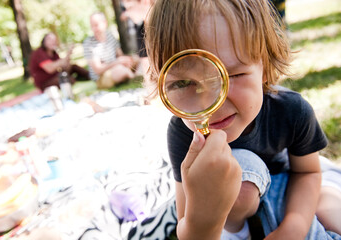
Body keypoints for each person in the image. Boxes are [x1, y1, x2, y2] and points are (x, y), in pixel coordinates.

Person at [144, 0, 341, 239]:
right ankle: (241, 229)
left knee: (332, 213)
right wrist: (202, 224)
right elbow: (187, 222)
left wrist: (295, 226)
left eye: (233, 74)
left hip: (296, 177)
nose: (210, 103)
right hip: (240, 200)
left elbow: (308, 173)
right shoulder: (182, 132)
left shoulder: (292, 109)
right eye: (184, 83)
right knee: (241, 181)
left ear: (265, 68)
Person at [83, 12, 139, 89]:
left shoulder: (110, 35)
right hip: (101, 77)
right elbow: (98, 69)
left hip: (115, 67)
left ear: (105, 23)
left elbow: (120, 55)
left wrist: (126, 60)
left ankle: (131, 75)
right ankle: (134, 77)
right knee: (121, 69)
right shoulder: (89, 43)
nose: (94, 29)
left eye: (96, 25)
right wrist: (117, 62)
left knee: (136, 58)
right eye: (92, 26)